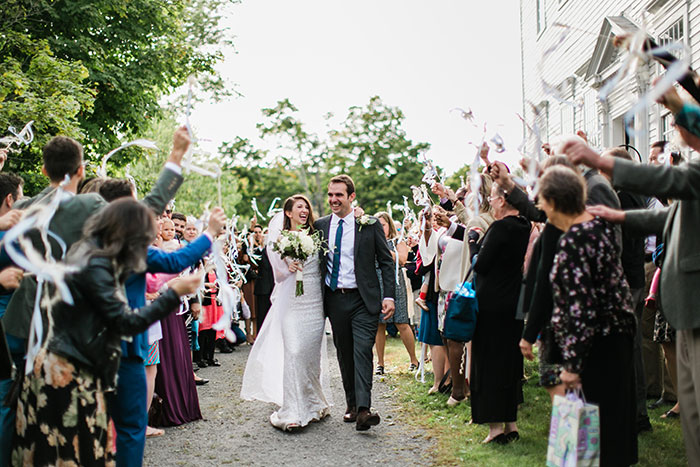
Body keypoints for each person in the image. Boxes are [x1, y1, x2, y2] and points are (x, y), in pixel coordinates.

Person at [561, 85, 700, 462]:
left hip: (692, 304)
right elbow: (668, 214)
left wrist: (598, 160)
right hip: (686, 307)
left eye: (678, 120)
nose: (675, 127)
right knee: (692, 414)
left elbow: (664, 182)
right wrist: (621, 216)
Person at [12, 199, 203, 465]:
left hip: (77, 357)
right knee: (71, 442)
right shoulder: (96, 261)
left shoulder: (92, 253)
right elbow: (124, 322)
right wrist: (172, 295)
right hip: (70, 364)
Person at [539, 166, 638, 465]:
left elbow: (582, 309)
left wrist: (573, 365)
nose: (540, 206)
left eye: (542, 200)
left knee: (596, 443)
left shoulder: (575, 241)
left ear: (555, 202)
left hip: (598, 350)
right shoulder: (596, 229)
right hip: (614, 342)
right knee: (613, 437)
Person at [241, 195, 331, 431]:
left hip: (314, 301)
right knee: (294, 351)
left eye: (306, 206)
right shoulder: (279, 239)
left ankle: (313, 402)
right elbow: (278, 275)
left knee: (310, 356)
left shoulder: (316, 234)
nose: (304, 210)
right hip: (291, 301)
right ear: (288, 213)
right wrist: (288, 266)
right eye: (299, 207)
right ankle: (292, 411)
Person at [314, 175, 395, 431]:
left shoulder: (369, 225)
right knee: (344, 353)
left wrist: (389, 296)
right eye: (330, 195)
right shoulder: (320, 226)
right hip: (334, 299)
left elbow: (385, 261)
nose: (333, 200)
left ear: (351, 197)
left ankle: (364, 409)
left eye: (339, 195)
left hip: (364, 300)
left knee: (362, 351)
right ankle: (350, 404)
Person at [469, 182, 530, 444]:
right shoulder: (524, 225)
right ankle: (511, 423)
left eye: (492, 198)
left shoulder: (501, 227)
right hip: (513, 300)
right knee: (510, 362)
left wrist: (473, 244)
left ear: (503, 201)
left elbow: (481, 265)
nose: (490, 202)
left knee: (490, 362)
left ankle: (495, 428)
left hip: (492, 303)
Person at [373, 211, 419, 374]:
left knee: (401, 322)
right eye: (377, 225)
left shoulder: (396, 241)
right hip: (376, 283)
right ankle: (380, 363)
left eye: (383, 225)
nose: (380, 228)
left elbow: (402, 260)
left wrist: (384, 248)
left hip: (395, 282)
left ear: (389, 226)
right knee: (380, 324)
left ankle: (414, 360)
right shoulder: (371, 241)